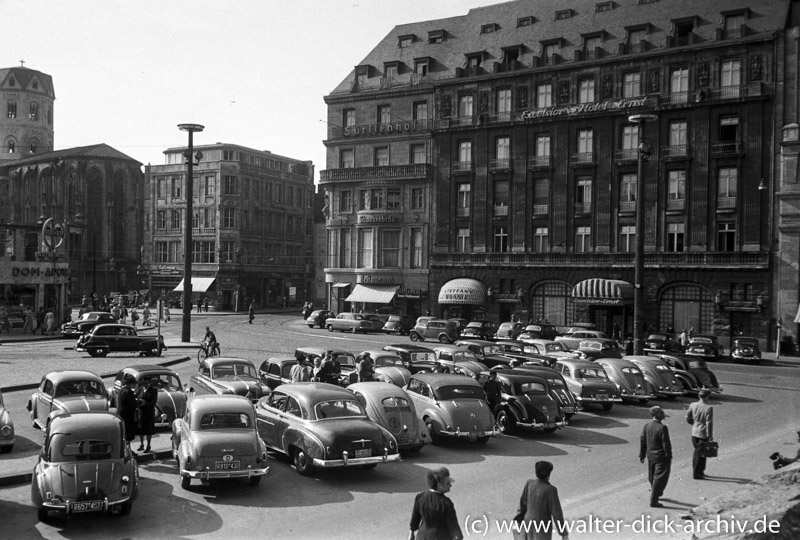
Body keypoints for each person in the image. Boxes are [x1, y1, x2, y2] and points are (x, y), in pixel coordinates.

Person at [515, 460, 569, 540]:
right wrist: (563, 533)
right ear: (548, 474)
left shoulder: (529, 483)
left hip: (527, 524)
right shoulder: (551, 490)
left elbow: (522, 504)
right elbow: (557, 515)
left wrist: (518, 521)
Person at [408, 467, 463, 540]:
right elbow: (454, 528)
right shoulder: (446, 504)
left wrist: (411, 534)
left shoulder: (420, 497)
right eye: (447, 483)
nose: (450, 485)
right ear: (439, 485)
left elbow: (415, 521)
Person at [639, 406, 672, 508]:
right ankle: (654, 499)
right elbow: (666, 444)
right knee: (660, 477)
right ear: (657, 414)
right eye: (661, 412)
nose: (663, 414)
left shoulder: (647, 426)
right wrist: (669, 455)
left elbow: (643, 440)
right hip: (661, 456)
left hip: (651, 455)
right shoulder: (662, 428)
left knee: (652, 475)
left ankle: (656, 492)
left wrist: (642, 454)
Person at [686, 389, 714, 479]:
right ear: (706, 397)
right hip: (703, 432)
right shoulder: (708, 408)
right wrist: (710, 435)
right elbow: (709, 422)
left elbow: (688, 417)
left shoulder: (693, 405)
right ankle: (697, 473)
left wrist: (694, 424)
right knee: (701, 454)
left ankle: (699, 471)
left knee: (697, 452)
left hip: (694, 431)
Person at [117, 374, 140, 449]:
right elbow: (132, 403)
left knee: (124, 433)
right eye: (133, 383)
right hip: (127, 416)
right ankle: (128, 449)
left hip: (121, 415)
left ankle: (127, 449)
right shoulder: (128, 392)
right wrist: (140, 402)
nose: (134, 385)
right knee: (127, 434)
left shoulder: (122, 390)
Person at [136, 377, 158, 453]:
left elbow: (153, 403)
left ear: (150, 383)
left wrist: (145, 403)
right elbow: (135, 396)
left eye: (147, 383)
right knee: (140, 430)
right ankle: (142, 444)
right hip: (141, 412)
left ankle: (148, 445)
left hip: (149, 413)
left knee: (148, 431)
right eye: (144, 384)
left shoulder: (153, 391)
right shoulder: (140, 389)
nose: (145, 385)